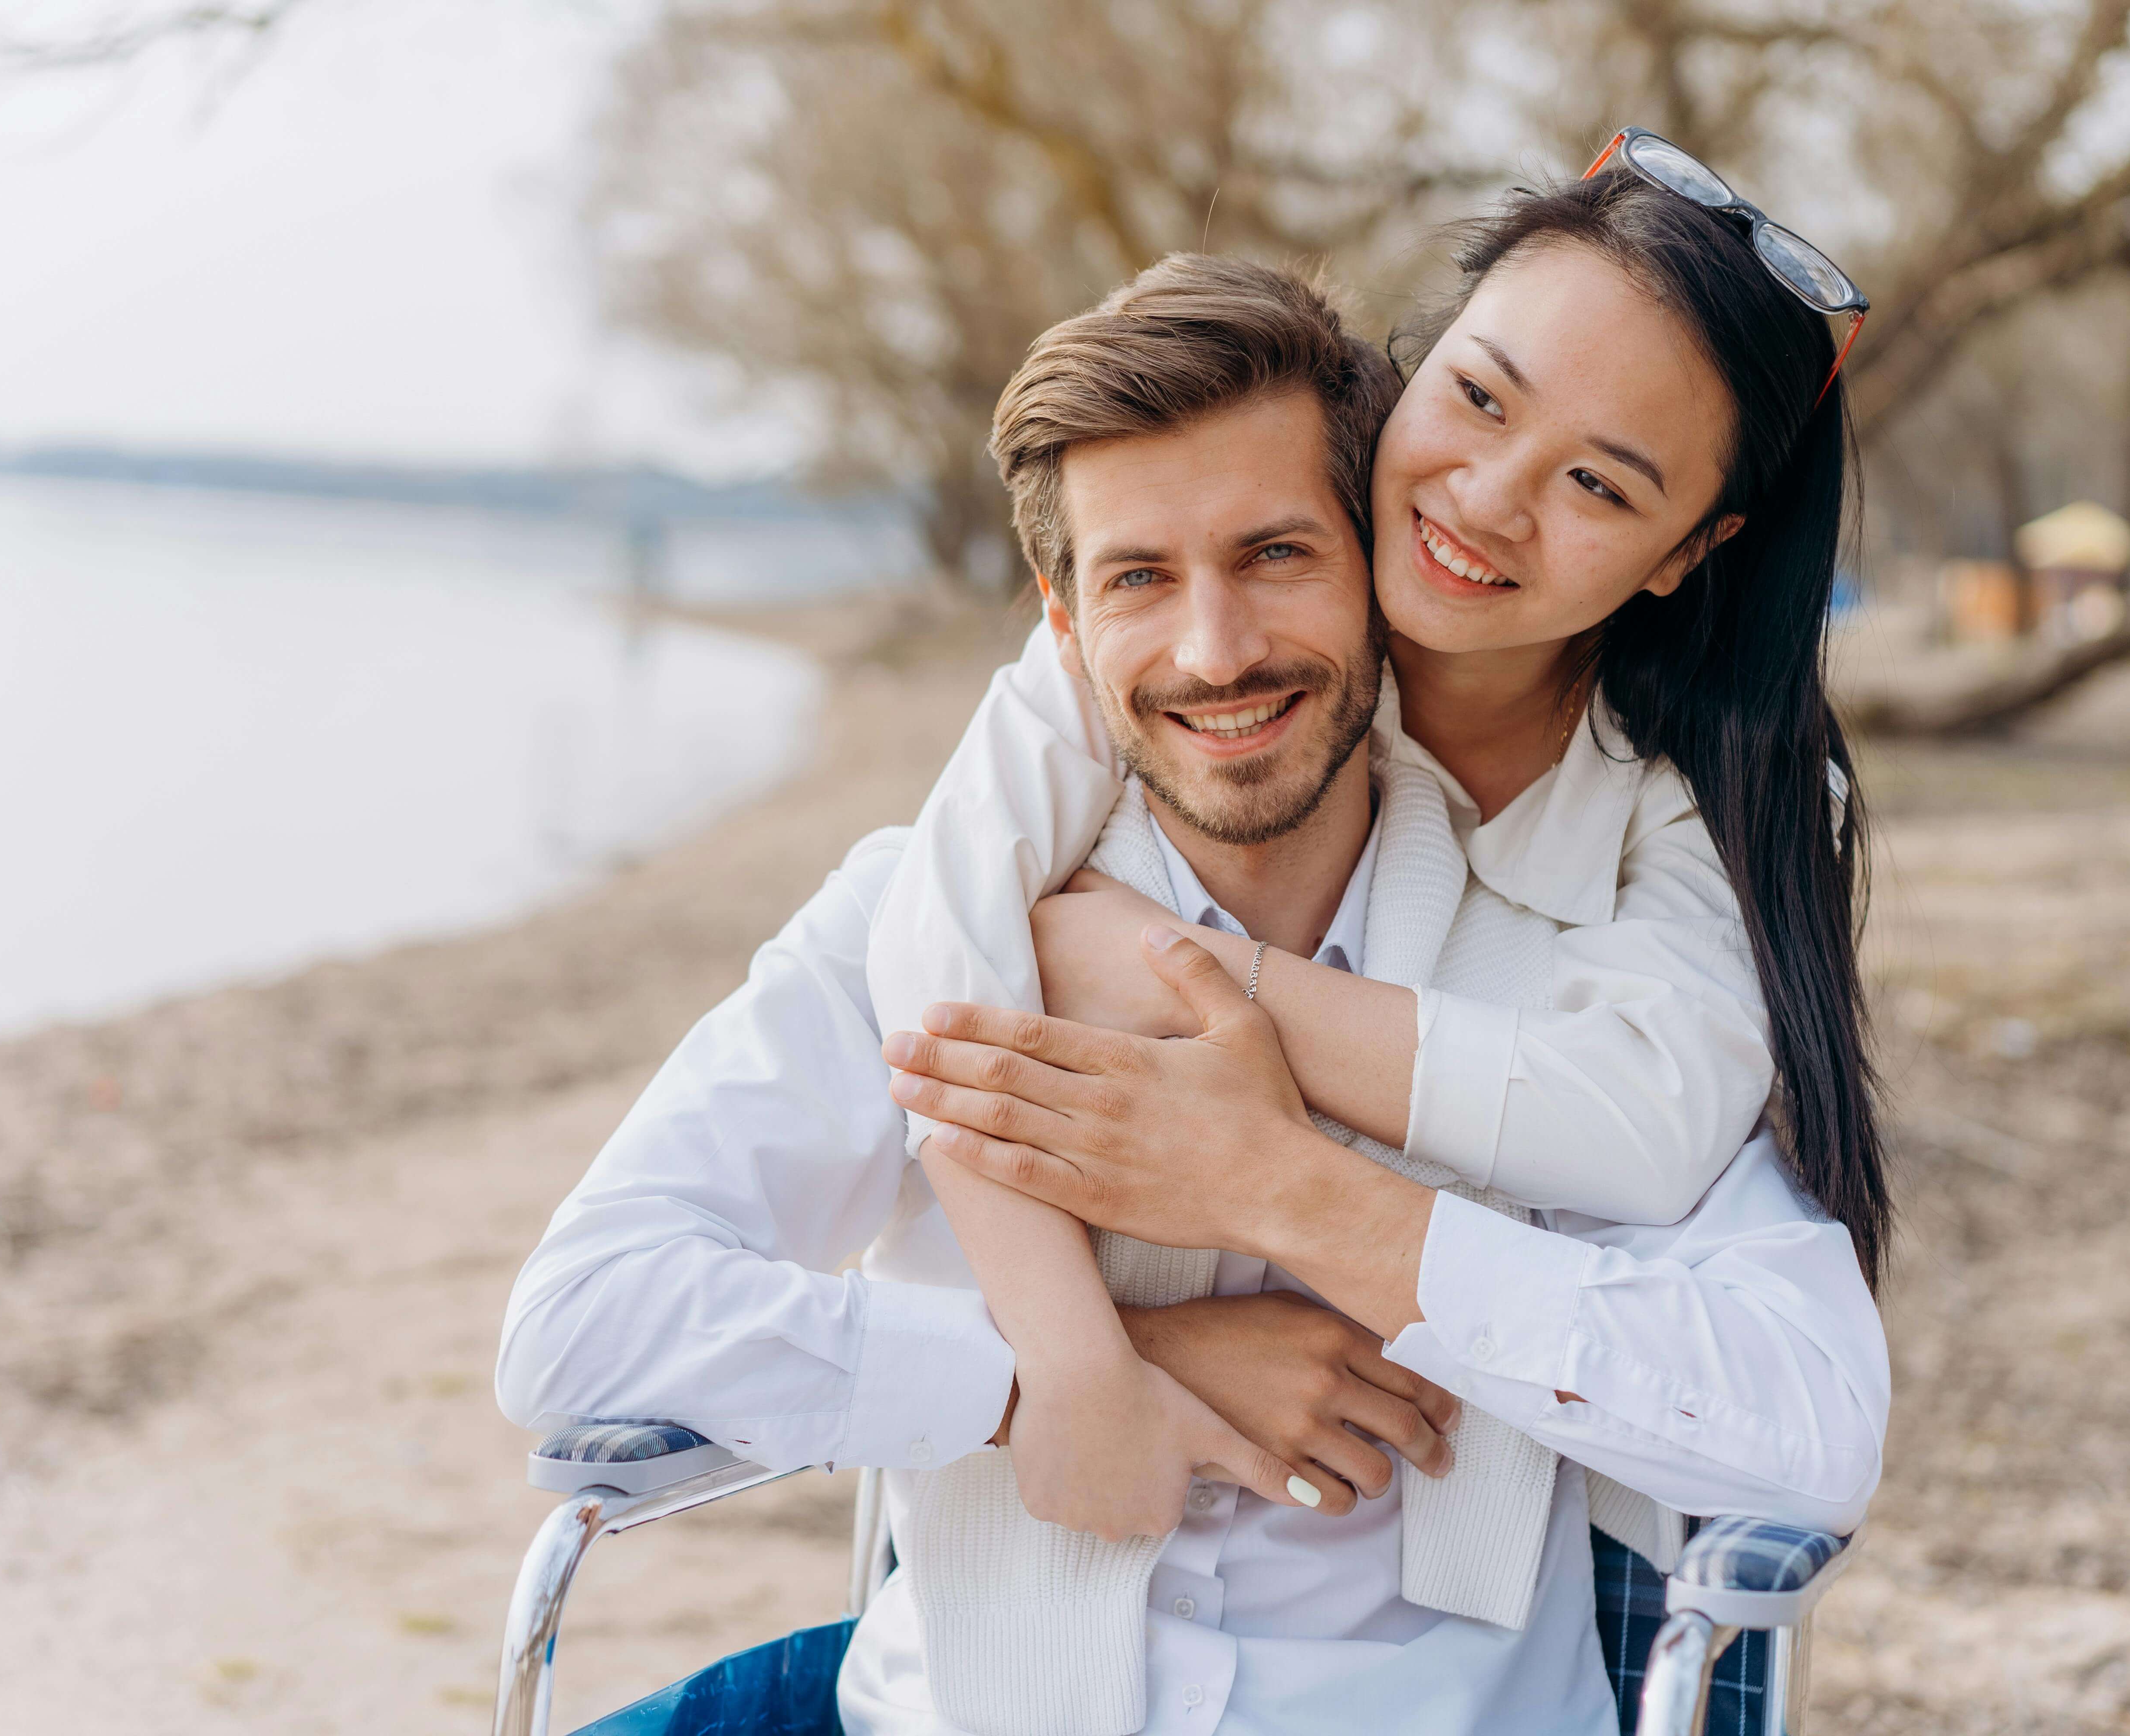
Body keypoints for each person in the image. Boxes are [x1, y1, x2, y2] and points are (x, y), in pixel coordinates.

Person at [498, 244, 1887, 1736]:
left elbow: (1804, 1425)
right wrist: (1057, 1378)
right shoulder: (929, 915)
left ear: (1375, 568)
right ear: (1063, 620)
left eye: (1277, 555)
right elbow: (579, 1324)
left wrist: (1284, 1190)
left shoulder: (1575, 968)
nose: (1216, 652)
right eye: (1140, 580)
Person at [868, 138, 1889, 1556]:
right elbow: (937, 951)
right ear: (1423, 357)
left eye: (1599, 485)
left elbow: (1648, 1128)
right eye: (1478, 397)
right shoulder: (1224, 629)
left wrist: (1189, 981)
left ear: (1684, 549)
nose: (1484, 498)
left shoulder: (1713, 797)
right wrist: (1086, 1361)